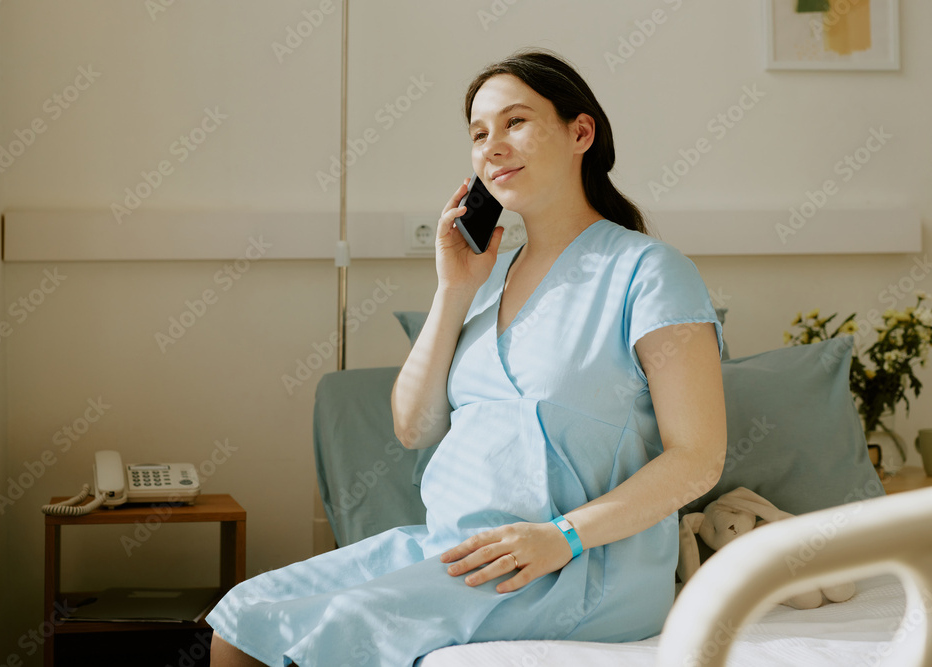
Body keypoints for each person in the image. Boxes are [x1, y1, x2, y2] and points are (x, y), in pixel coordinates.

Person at [208, 48, 727, 667]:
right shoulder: (485, 280)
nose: (492, 146)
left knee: (340, 625)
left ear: (580, 132)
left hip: (580, 567)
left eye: (515, 122)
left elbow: (698, 458)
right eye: (479, 134)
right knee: (243, 615)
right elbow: (414, 427)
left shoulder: (650, 272)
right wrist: (453, 289)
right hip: (454, 549)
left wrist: (562, 537)